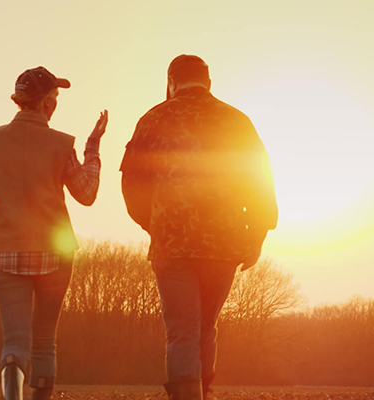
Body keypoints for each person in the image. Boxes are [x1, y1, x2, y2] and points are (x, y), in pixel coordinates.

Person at [120, 55, 278, 400]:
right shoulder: (237, 121)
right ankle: (203, 392)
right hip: (223, 246)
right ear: (208, 81)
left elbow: (131, 183)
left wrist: (154, 224)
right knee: (206, 327)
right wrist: (255, 236)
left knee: (181, 332)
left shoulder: (153, 119)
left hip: (171, 246)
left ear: (172, 82)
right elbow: (261, 183)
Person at [0, 66, 107, 400]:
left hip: (5, 252)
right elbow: (87, 193)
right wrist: (93, 147)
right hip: (56, 253)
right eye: (55, 98)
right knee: (44, 342)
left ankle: (12, 387)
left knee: (15, 341)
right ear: (47, 104)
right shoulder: (62, 144)